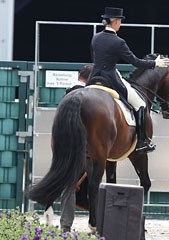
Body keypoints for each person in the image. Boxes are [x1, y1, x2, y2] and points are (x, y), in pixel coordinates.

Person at [88, 7, 169, 153]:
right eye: (120, 21)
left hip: (94, 77)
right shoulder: (118, 42)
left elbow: (94, 59)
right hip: (110, 77)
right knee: (140, 104)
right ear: (116, 22)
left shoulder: (95, 38)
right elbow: (135, 62)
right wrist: (155, 64)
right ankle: (142, 142)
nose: (120, 24)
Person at [60, 64, 92, 232]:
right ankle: (95, 224)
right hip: (86, 149)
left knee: (68, 186)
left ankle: (65, 226)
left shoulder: (67, 95)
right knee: (94, 184)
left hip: (66, 148)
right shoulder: (90, 96)